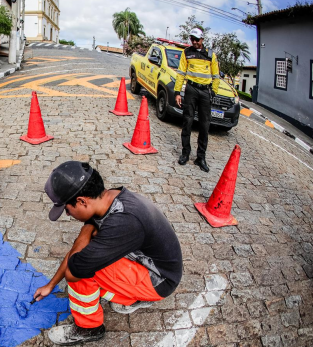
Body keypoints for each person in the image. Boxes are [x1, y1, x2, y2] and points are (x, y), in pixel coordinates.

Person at [34, 161, 182, 346]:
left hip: (159, 280)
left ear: (81, 201)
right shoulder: (108, 198)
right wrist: (51, 284)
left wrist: (86, 229)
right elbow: (79, 250)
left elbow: (73, 272)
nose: (68, 215)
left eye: (67, 209)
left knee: (83, 273)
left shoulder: (123, 222)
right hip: (149, 263)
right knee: (86, 249)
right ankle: (130, 297)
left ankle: (89, 329)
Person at [174, 27, 220, 173]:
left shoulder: (210, 55)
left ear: (202, 39)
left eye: (196, 39)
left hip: (205, 92)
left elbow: (216, 76)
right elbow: (181, 73)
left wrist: (213, 91)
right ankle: (185, 153)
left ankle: (201, 157)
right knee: (187, 121)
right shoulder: (186, 53)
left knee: (204, 125)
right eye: (192, 39)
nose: (194, 42)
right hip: (191, 90)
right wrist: (177, 92)